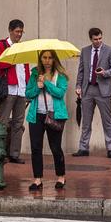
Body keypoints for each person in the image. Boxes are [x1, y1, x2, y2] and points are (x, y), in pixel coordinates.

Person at [25, 48, 69, 191]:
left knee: (55, 147)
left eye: (50, 57)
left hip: (54, 115)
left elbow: (60, 93)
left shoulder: (60, 75)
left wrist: (47, 83)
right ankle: (37, 179)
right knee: (36, 147)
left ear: (54, 59)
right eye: (44, 57)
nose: (47, 61)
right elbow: (28, 93)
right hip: (36, 115)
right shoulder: (35, 74)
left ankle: (61, 176)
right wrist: (38, 86)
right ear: (41, 59)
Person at [74, 27, 111, 158]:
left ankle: (110, 148)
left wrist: (105, 73)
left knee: (107, 120)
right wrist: (78, 86)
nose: (98, 41)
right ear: (91, 39)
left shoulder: (110, 50)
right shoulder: (85, 51)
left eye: (100, 38)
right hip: (88, 89)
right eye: (95, 39)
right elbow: (81, 70)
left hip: (103, 89)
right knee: (86, 121)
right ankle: (83, 148)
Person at [0, 19, 31, 164]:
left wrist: (28, 87)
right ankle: (0, 152)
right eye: (17, 31)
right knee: (2, 122)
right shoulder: (2, 44)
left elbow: (26, 68)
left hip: (21, 89)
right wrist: (12, 60)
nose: (19, 34)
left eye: (21, 31)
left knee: (18, 123)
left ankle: (14, 153)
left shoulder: (22, 47)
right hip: (8, 88)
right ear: (10, 30)